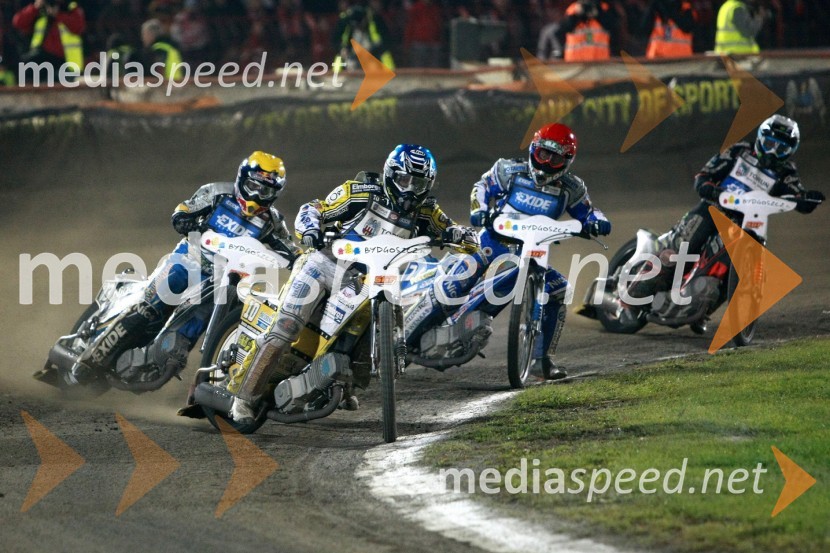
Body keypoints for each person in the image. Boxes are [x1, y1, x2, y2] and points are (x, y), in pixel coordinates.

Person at [228, 144, 477, 424]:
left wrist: (463, 236)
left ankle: (341, 384)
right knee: (286, 327)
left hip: (370, 280)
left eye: (417, 183)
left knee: (367, 324)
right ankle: (244, 398)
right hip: (324, 265)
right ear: (390, 174)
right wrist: (310, 228)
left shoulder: (427, 211)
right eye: (404, 180)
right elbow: (315, 208)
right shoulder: (360, 192)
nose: (409, 190)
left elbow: (452, 229)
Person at [74, 152, 299, 384]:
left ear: (275, 194)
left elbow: (292, 251)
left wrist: (301, 260)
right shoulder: (217, 193)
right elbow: (182, 211)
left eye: (265, 191)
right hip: (186, 263)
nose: (256, 195)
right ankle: (91, 358)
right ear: (242, 179)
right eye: (253, 186)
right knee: (149, 308)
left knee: (196, 326)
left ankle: (169, 363)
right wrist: (187, 222)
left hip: (218, 282)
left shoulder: (273, 223)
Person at [467, 123, 611, 380]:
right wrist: (478, 209)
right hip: (496, 241)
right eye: (543, 154)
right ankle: (425, 321)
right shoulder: (508, 169)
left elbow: (589, 211)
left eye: (555, 158)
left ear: (567, 160)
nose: (546, 162)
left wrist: (597, 220)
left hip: (533, 254)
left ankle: (540, 360)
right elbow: (482, 186)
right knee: (467, 270)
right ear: (533, 148)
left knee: (558, 290)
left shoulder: (572, 188)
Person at [629, 115, 824, 299]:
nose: (773, 152)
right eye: (770, 144)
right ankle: (633, 291)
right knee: (682, 249)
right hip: (713, 208)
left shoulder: (786, 172)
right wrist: (712, 190)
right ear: (761, 138)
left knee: (737, 263)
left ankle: (704, 298)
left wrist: (808, 199)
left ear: (791, 151)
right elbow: (704, 176)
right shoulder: (739, 151)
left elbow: (796, 195)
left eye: (781, 149)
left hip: (745, 223)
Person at [12, 0, 85, 76]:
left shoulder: (69, 7)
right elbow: (18, 22)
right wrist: (35, 7)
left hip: (65, 62)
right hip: (40, 57)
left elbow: (79, 27)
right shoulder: (40, 8)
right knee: (21, 67)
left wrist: (58, 15)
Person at [333, 4, 394, 72]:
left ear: (364, 20)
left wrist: (371, 49)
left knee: (385, 55)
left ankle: (390, 75)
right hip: (352, 57)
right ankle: (336, 77)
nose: (357, 26)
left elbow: (386, 41)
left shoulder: (375, 20)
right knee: (339, 57)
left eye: (359, 24)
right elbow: (336, 41)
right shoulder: (346, 23)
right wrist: (342, 49)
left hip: (373, 54)